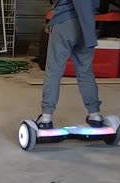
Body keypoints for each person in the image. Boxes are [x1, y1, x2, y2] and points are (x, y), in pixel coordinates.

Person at [38, 0, 104, 129]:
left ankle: (46, 117)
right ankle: (94, 114)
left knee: (54, 71)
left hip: (65, 22)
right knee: (85, 71)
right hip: (88, 23)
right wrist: (89, 29)